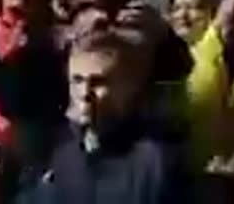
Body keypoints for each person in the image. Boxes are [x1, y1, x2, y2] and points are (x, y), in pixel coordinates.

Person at [16, 30, 190, 203]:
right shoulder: (55, 152)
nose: (85, 93)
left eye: (98, 82)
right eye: (77, 80)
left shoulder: (156, 161)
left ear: (128, 87)